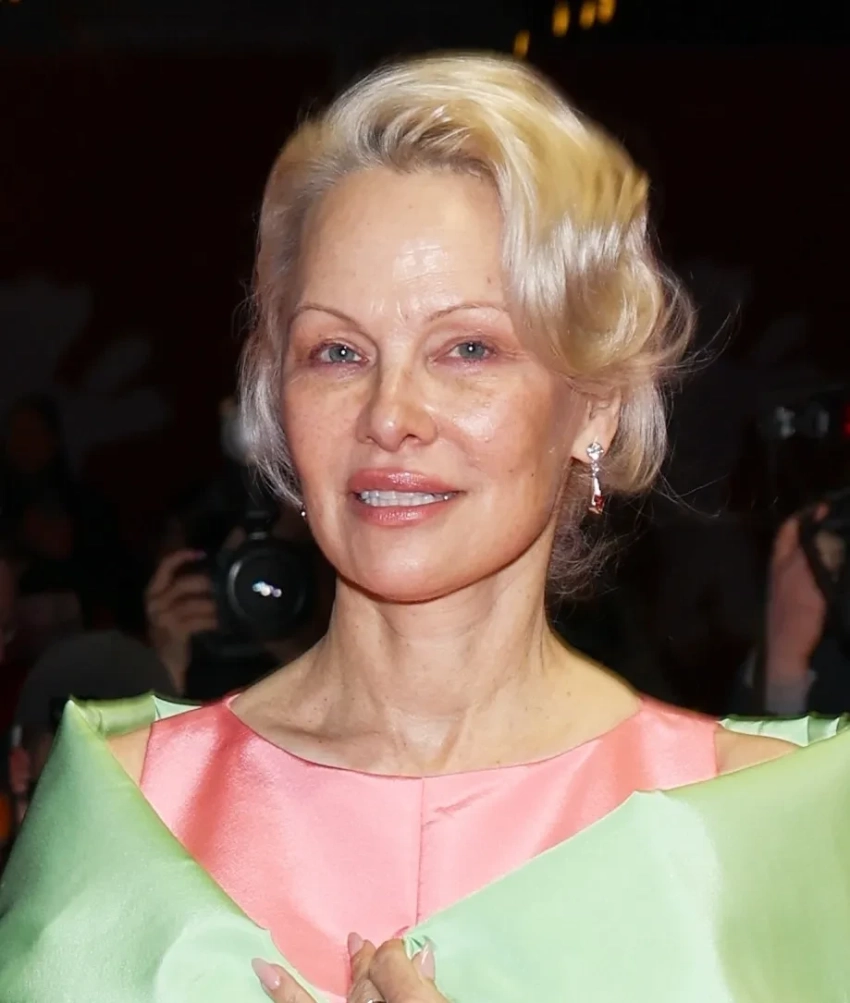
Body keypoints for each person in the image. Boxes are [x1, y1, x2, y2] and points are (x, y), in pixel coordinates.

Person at [2, 53, 846, 1003]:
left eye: (467, 348)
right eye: (337, 352)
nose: (390, 414)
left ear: (596, 404)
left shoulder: (750, 831)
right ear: (278, 400)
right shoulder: (128, 822)